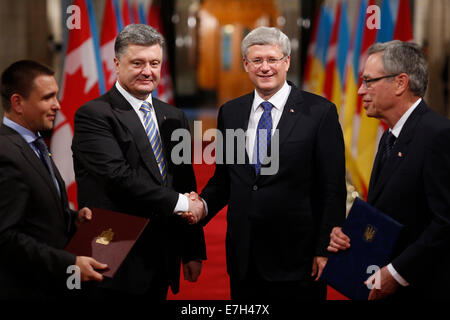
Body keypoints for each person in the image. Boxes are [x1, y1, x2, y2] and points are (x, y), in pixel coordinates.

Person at [190, 26, 347, 301]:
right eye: (257, 60)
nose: (265, 67)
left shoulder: (320, 112)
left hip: (297, 259)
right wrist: (201, 206)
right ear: (245, 64)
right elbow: (225, 179)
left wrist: (324, 248)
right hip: (244, 256)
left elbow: (332, 188)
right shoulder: (231, 112)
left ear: (287, 62)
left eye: (272, 60)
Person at [71, 24, 206, 299]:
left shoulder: (174, 116)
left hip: (161, 251)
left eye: (154, 63)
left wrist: (192, 250)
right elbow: (118, 176)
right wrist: (183, 204)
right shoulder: (95, 114)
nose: (148, 71)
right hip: (113, 250)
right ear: (117, 64)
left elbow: (184, 182)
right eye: (138, 63)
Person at [328, 40, 450, 300]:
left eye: (369, 81)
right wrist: (349, 234)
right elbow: (387, 210)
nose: (360, 90)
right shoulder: (389, 137)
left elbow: (445, 221)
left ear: (400, 83)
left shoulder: (438, 135)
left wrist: (396, 273)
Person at [0, 60, 107, 299]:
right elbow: (5, 237)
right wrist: (68, 264)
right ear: (18, 102)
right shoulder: (5, 153)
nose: (57, 105)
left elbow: (34, 211)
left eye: (56, 96)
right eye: (47, 98)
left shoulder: (34, 144)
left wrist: (72, 219)